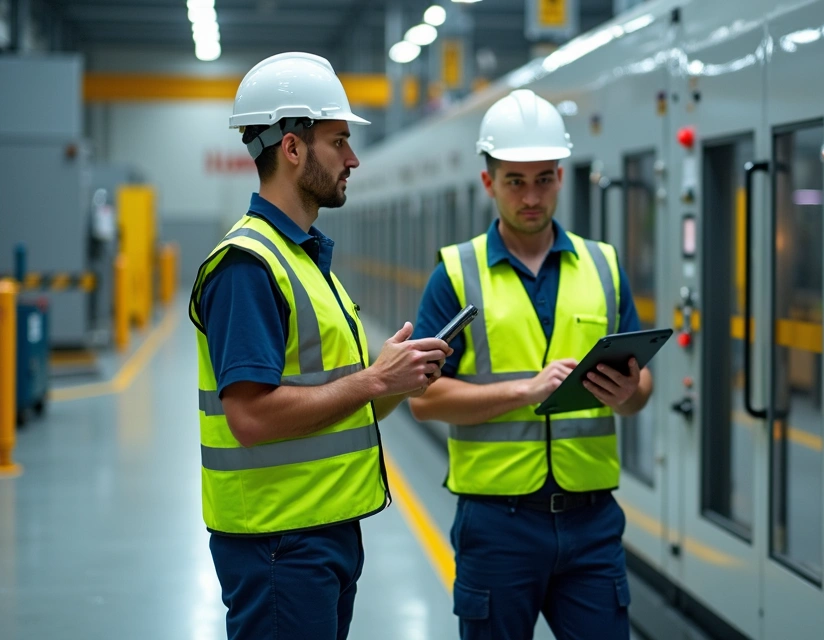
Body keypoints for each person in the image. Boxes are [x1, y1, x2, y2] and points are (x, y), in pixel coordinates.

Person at [188, 52, 452, 640]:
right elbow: (250, 418)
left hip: (319, 533)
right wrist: (373, 381)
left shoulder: (305, 259)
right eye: (339, 141)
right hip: (278, 544)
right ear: (292, 149)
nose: (353, 158)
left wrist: (398, 378)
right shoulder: (247, 267)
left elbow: (340, 397)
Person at [408, 89, 654, 640]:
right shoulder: (455, 274)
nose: (531, 196)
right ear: (488, 182)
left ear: (562, 177)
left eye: (544, 178)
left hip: (592, 523)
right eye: (515, 181)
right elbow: (422, 400)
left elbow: (642, 389)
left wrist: (629, 391)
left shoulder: (604, 265)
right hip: (498, 525)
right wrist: (526, 391)